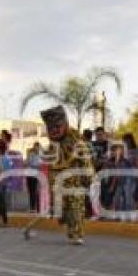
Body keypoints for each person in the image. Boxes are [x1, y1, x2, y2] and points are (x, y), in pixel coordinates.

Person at [41, 105, 94, 244]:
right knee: (63, 211)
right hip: (58, 185)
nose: (54, 131)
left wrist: (89, 180)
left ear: (65, 124)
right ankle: (72, 231)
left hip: (75, 183)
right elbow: (49, 167)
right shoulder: (51, 147)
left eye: (57, 126)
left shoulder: (78, 143)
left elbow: (86, 163)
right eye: (50, 128)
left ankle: (77, 234)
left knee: (76, 209)